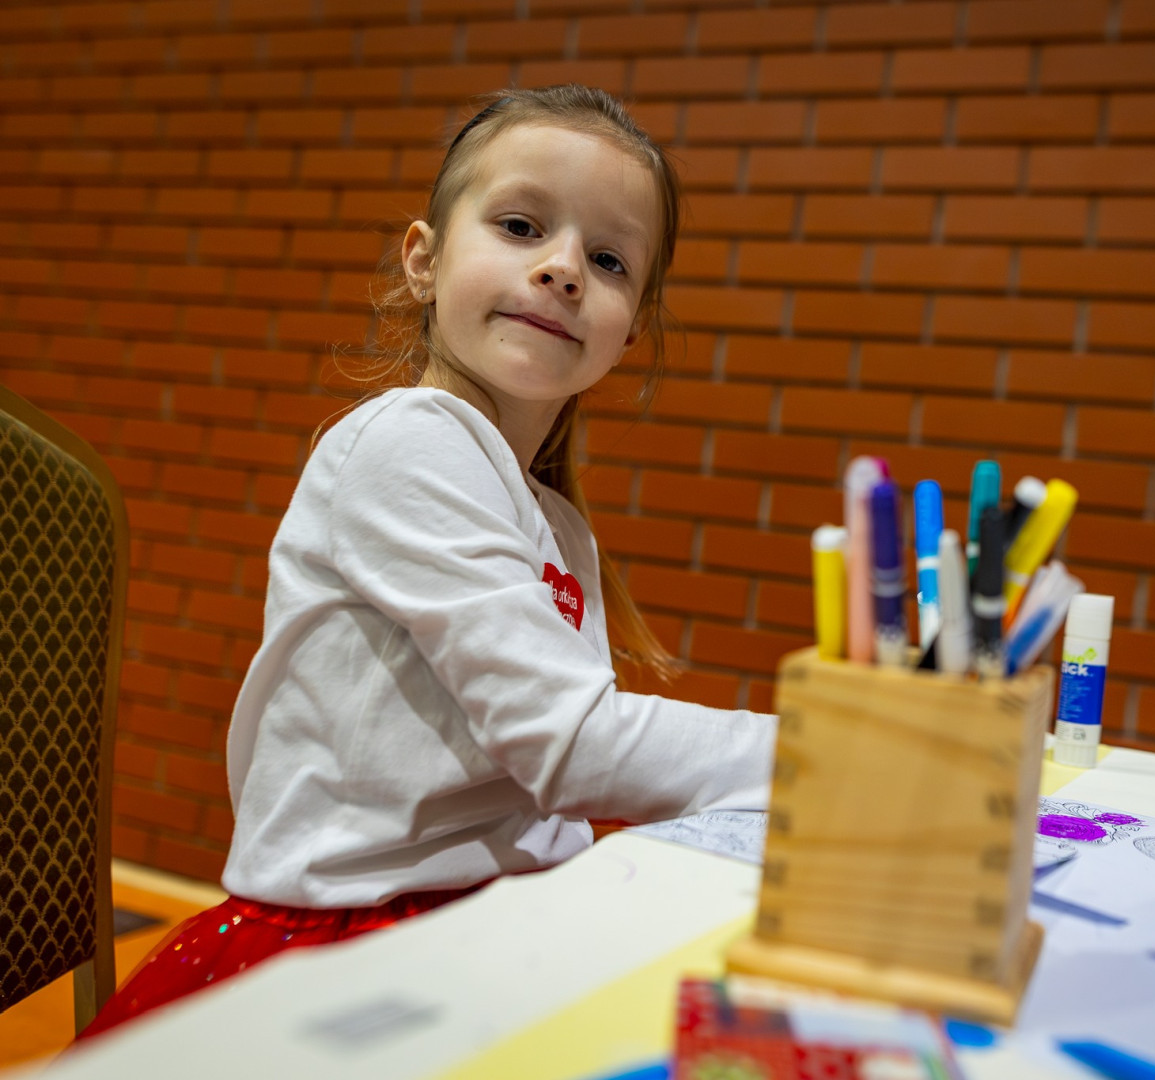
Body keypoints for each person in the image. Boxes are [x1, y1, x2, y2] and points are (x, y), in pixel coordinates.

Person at [81, 85, 777, 1038]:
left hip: (481, 924)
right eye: (522, 226)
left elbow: (540, 799)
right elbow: (569, 745)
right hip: (349, 947)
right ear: (424, 260)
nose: (563, 268)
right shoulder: (410, 440)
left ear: (631, 334)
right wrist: (823, 758)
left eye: (609, 259)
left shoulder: (555, 520)